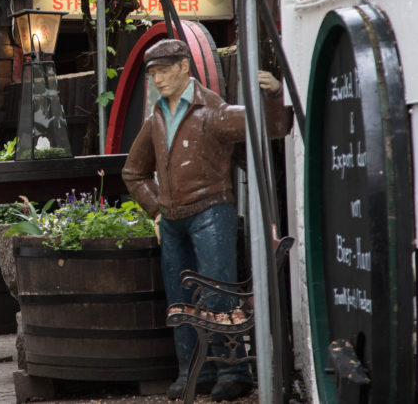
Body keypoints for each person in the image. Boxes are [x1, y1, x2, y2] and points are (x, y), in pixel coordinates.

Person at [122, 38, 293, 401]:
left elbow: (271, 128)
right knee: (179, 300)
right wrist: (155, 209)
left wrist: (276, 95)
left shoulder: (212, 112)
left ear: (185, 67)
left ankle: (234, 372)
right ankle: (193, 372)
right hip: (172, 220)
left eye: (165, 70)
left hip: (212, 212)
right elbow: (133, 172)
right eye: (153, 73)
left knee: (218, 295)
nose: (158, 79)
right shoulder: (156, 118)